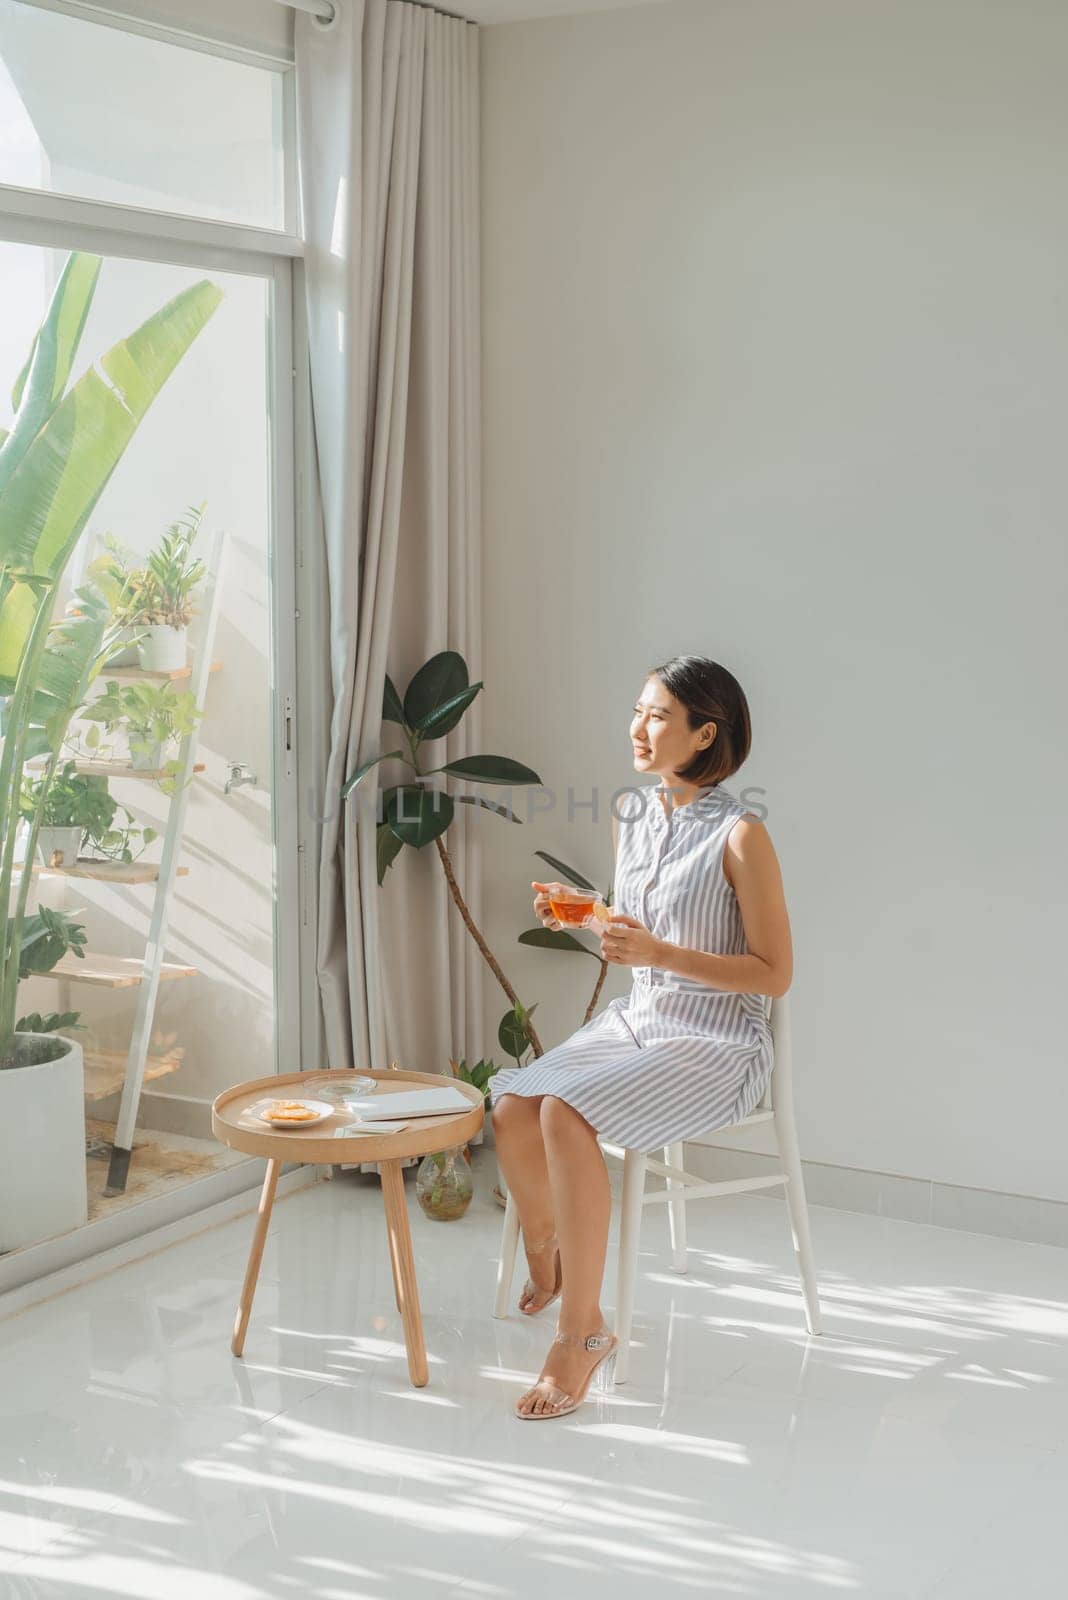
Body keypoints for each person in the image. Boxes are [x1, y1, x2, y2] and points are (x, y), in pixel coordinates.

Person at [489, 655, 793, 1420]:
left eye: (658, 716)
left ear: (704, 734)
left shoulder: (742, 834)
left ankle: (581, 1334)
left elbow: (774, 973)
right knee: (511, 1109)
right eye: (638, 710)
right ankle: (546, 1249)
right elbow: (640, 934)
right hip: (641, 1020)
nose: (638, 727)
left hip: (718, 1043)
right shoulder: (633, 812)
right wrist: (586, 914)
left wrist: (658, 954)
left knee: (563, 1111)